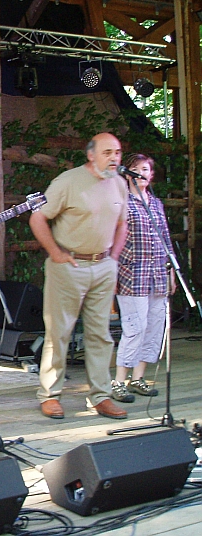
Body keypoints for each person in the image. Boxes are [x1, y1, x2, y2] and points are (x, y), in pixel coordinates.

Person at [28, 132, 129, 421]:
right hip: (69, 265)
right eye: (107, 152)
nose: (114, 158)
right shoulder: (67, 181)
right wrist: (55, 253)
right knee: (59, 333)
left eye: (117, 152)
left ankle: (100, 396)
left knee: (100, 334)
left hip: (103, 265)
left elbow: (122, 224)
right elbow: (37, 218)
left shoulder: (119, 183)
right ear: (91, 155)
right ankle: (50, 395)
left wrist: (114, 258)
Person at [109, 154, 174, 400]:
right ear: (128, 175)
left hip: (158, 273)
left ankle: (138, 378)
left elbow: (165, 238)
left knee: (155, 326)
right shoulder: (121, 202)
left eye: (146, 169)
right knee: (136, 327)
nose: (143, 174)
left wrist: (171, 272)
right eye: (137, 169)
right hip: (132, 274)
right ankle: (119, 381)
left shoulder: (156, 204)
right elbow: (111, 240)